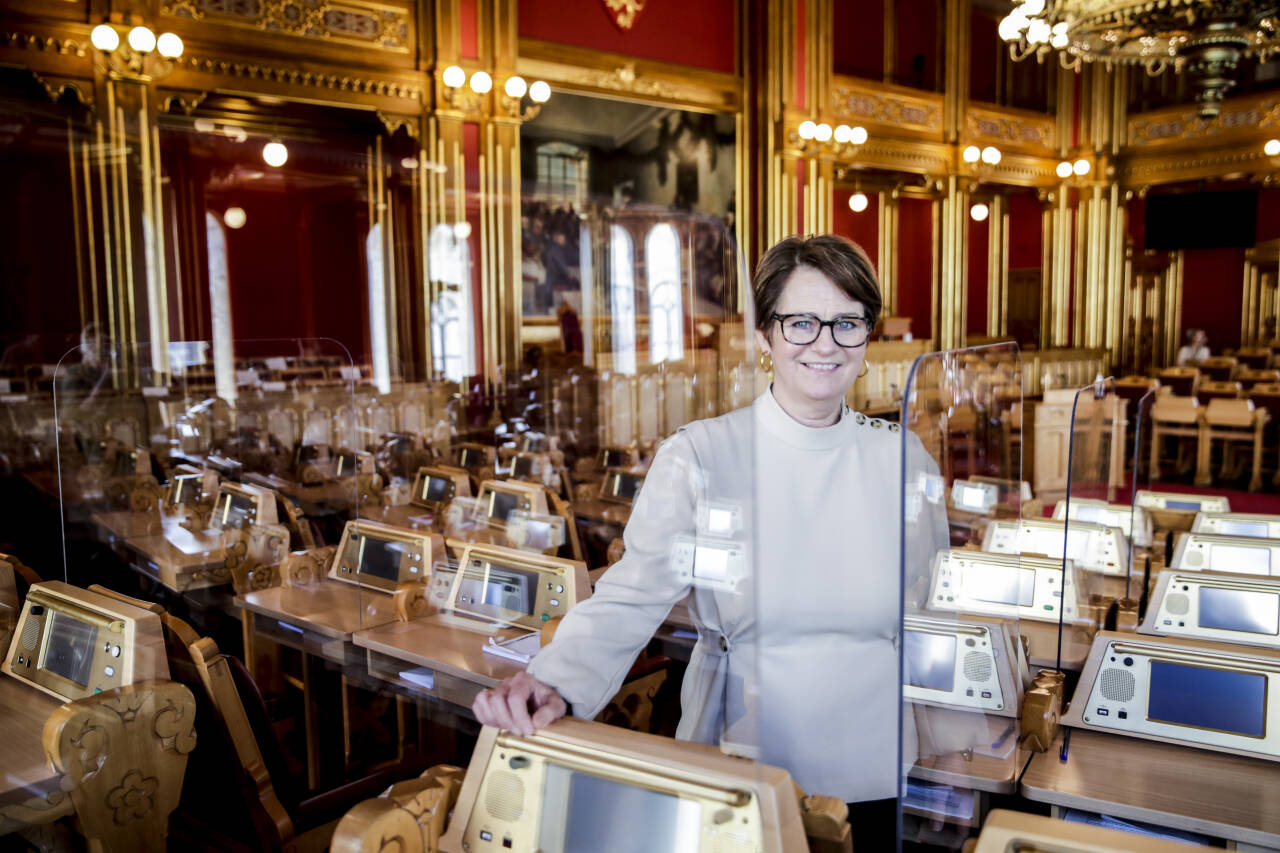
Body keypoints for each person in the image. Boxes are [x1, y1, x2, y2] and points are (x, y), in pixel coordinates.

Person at [473, 234, 947, 847]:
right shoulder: (699, 453)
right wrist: (553, 679)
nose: (825, 343)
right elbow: (633, 593)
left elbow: (933, 608)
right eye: (801, 322)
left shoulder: (903, 455)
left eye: (846, 323)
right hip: (744, 750)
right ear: (765, 336)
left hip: (877, 759)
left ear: (867, 336)